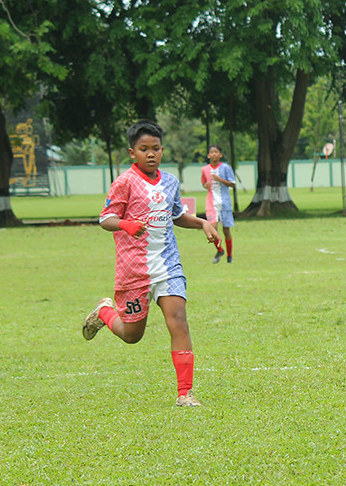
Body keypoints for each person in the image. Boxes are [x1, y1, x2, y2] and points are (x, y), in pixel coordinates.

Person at [81, 120, 220, 407]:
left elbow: (177, 215)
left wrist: (203, 223)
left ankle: (185, 394)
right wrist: (126, 224)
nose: (151, 154)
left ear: (162, 150)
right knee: (132, 336)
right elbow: (105, 219)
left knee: (178, 321)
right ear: (132, 152)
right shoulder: (124, 182)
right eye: (144, 149)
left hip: (168, 265)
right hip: (134, 269)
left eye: (155, 148)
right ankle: (105, 313)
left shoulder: (170, 181)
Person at [201, 144, 236, 263]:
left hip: (224, 202)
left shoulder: (226, 167)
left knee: (226, 230)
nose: (214, 154)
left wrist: (220, 179)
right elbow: (204, 183)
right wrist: (206, 186)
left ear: (220, 155)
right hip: (211, 203)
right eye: (212, 152)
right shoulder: (205, 169)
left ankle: (229, 256)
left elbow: (233, 183)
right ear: (208, 155)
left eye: (216, 152)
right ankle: (220, 250)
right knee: (213, 229)